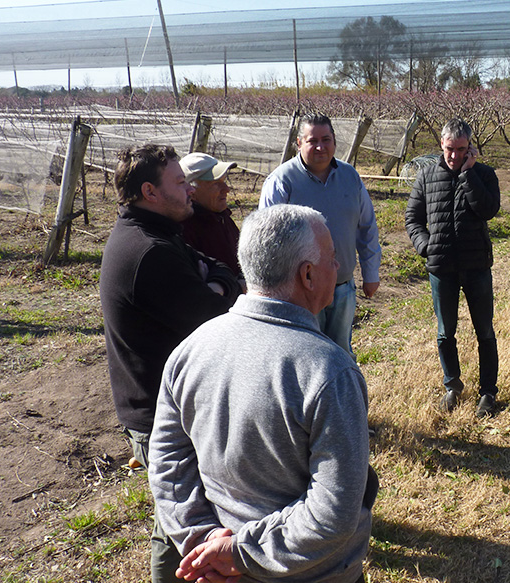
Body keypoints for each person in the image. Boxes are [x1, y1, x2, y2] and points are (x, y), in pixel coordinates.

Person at [149, 205, 378, 583]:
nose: (337, 269)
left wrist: (205, 543)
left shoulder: (189, 351)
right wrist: (240, 553)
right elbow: (333, 511)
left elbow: (168, 464)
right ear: (307, 275)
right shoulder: (328, 371)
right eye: (333, 259)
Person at [99, 144, 241, 583]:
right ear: (150, 191)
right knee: (181, 522)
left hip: (168, 404)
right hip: (160, 414)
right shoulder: (148, 252)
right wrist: (219, 287)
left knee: (175, 519)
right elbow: (215, 313)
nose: (189, 191)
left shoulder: (158, 236)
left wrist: (217, 281)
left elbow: (218, 268)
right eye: (180, 183)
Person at [260, 113, 381, 355]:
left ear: (334, 141)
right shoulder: (282, 181)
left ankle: (344, 393)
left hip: (342, 286)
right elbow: (267, 240)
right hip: (301, 293)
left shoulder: (350, 177)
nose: (320, 147)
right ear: (298, 143)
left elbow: (367, 226)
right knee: (306, 354)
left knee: (341, 352)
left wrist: (371, 273)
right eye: (312, 141)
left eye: (326, 140)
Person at [405, 118, 502, 417]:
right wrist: (425, 246)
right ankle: (452, 385)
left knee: (484, 330)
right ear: (441, 145)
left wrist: (468, 174)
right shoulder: (426, 176)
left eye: (462, 149)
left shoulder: (484, 174)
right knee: (445, 332)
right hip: (441, 267)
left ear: (470, 147)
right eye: (449, 149)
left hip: (476, 266)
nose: (454, 156)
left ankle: (488, 392)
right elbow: (413, 218)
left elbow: (488, 209)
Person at [178, 152, 241, 274]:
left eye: (224, 181)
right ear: (192, 191)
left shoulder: (222, 217)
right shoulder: (185, 228)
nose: (226, 189)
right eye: (216, 183)